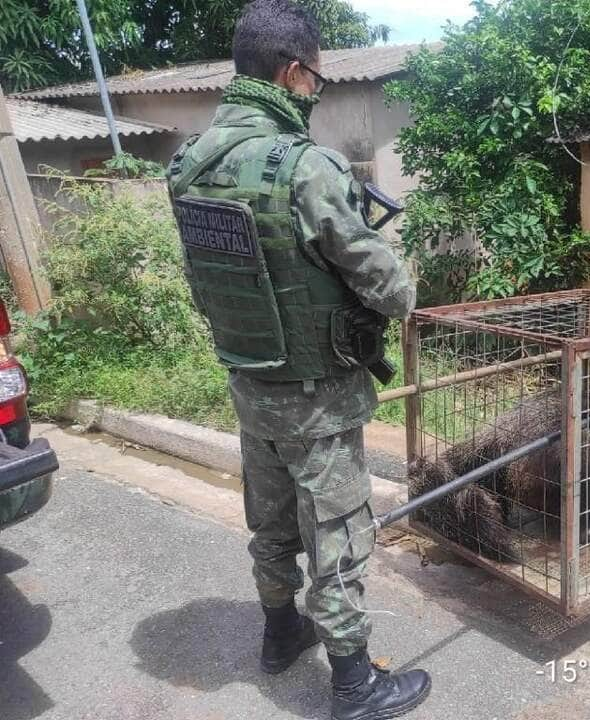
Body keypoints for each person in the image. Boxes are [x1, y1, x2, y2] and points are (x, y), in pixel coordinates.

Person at [165, 1, 430, 718]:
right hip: (317, 395)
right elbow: (391, 289)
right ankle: (354, 686)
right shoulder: (307, 167)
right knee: (339, 532)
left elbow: (212, 279)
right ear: (292, 72)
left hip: (251, 383)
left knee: (273, 521)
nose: (316, 90)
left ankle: (281, 633)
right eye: (316, 78)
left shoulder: (189, 161)